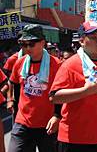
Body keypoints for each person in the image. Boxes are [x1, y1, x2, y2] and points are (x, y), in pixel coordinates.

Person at [50, 21, 97, 152]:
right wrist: (84, 91)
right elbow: (54, 97)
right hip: (77, 140)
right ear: (81, 41)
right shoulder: (71, 64)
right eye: (93, 37)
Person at [8, 24, 61, 152]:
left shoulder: (56, 65)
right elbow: (13, 83)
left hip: (47, 124)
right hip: (23, 122)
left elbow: (61, 93)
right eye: (23, 44)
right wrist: (11, 100)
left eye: (31, 44)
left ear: (42, 43)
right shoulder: (20, 63)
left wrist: (57, 116)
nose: (27, 48)